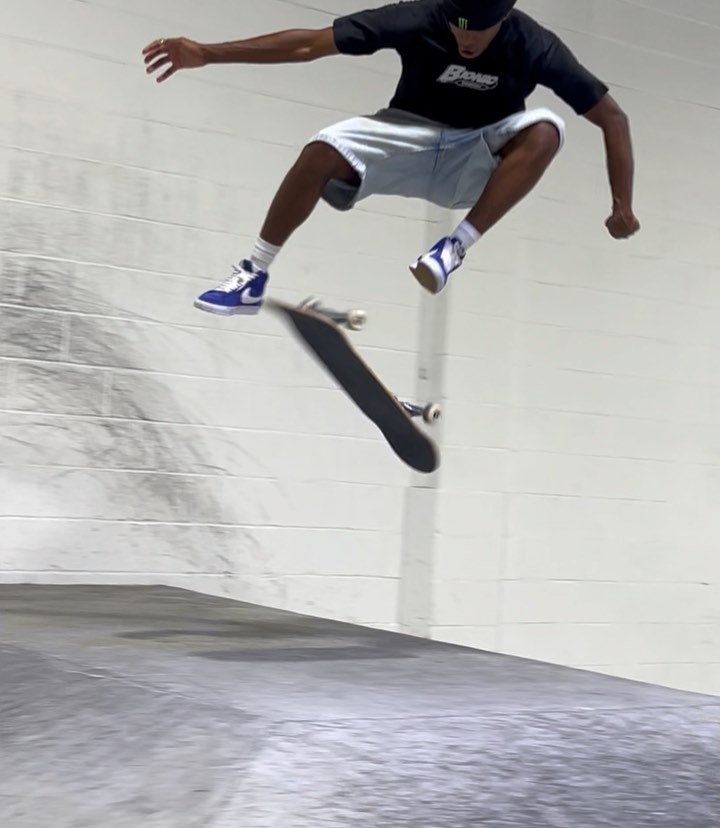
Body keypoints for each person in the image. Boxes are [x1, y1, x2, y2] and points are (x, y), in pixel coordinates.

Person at [142, 0, 640, 316]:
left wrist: (623, 204)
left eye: (479, 32)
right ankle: (253, 274)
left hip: (476, 157)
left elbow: (613, 118)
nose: (466, 40)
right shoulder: (418, 17)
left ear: (504, 18)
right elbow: (310, 45)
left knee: (548, 128)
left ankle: (453, 249)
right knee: (320, 150)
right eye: (458, 27)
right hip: (406, 136)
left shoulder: (536, 45)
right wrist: (207, 52)